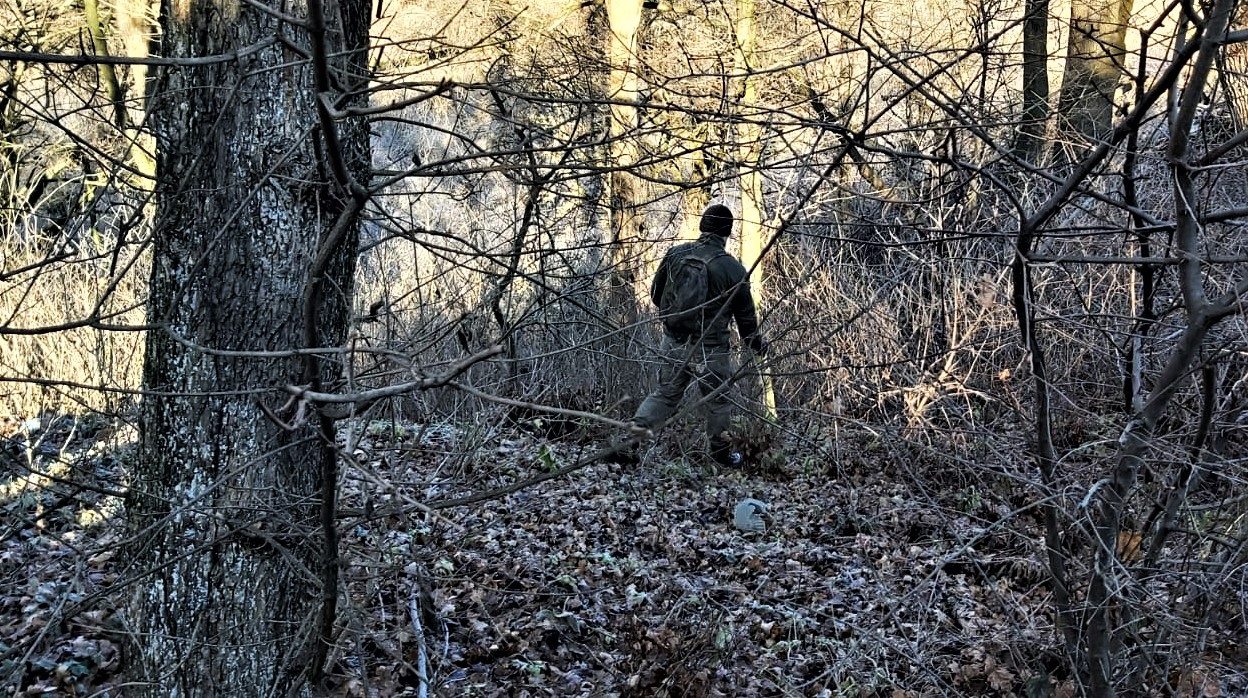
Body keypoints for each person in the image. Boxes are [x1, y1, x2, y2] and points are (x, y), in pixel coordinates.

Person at [630, 203, 766, 466]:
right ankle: (721, 454)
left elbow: (657, 296)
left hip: (674, 342)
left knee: (665, 394)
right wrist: (755, 344)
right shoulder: (732, 269)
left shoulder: (675, 255)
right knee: (718, 401)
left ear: (702, 226)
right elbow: (746, 318)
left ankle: (628, 441)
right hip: (711, 349)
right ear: (728, 232)